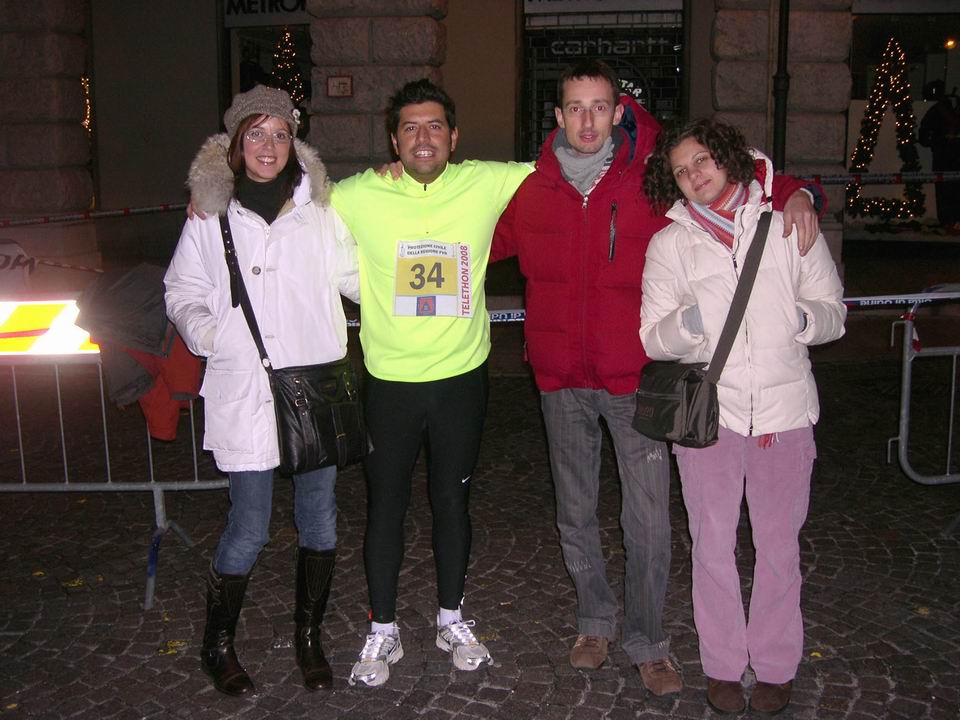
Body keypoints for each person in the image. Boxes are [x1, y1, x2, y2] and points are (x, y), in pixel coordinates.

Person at [490, 59, 824, 696]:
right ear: (557, 117)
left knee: (647, 519)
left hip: (635, 380)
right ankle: (593, 621)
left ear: (619, 112)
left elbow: (732, 173)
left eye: (600, 107)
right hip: (559, 379)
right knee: (575, 512)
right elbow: (467, 232)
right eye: (575, 108)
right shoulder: (531, 189)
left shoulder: (650, 180)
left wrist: (800, 192)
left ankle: (648, 641)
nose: (588, 120)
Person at [327, 79, 534, 687]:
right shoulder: (358, 193)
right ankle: (383, 627)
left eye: (435, 126)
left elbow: (576, 160)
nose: (423, 137)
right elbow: (286, 204)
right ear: (394, 141)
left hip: (460, 381)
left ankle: (450, 617)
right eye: (410, 127)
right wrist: (210, 199)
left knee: (452, 501)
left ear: (454, 136)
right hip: (389, 382)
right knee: (385, 507)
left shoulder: (485, 182)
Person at [640, 118, 846, 714]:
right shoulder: (669, 245)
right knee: (711, 547)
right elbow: (653, 338)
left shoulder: (788, 224)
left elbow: (833, 312)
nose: (694, 175)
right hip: (711, 419)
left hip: (785, 414)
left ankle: (777, 665)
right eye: (681, 171)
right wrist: (693, 323)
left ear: (727, 157)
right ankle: (723, 665)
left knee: (779, 548)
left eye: (701, 160)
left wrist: (800, 321)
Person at [165, 85, 360, 696]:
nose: (268, 146)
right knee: (248, 525)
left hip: (312, 390)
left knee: (319, 521)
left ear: (294, 142)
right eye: (256, 133)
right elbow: (181, 290)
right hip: (246, 388)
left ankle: (309, 637)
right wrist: (212, 334)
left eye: (279, 134)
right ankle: (217, 644)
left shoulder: (320, 211)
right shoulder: (210, 216)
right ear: (235, 143)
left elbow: (360, 277)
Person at [919, 79, 960, 232]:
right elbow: (923, 137)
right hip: (943, 158)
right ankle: (948, 222)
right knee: (944, 191)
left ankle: (951, 222)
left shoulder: (936, 111)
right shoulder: (936, 111)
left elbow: (924, 137)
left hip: (945, 158)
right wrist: (939, 141)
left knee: (947, 192)